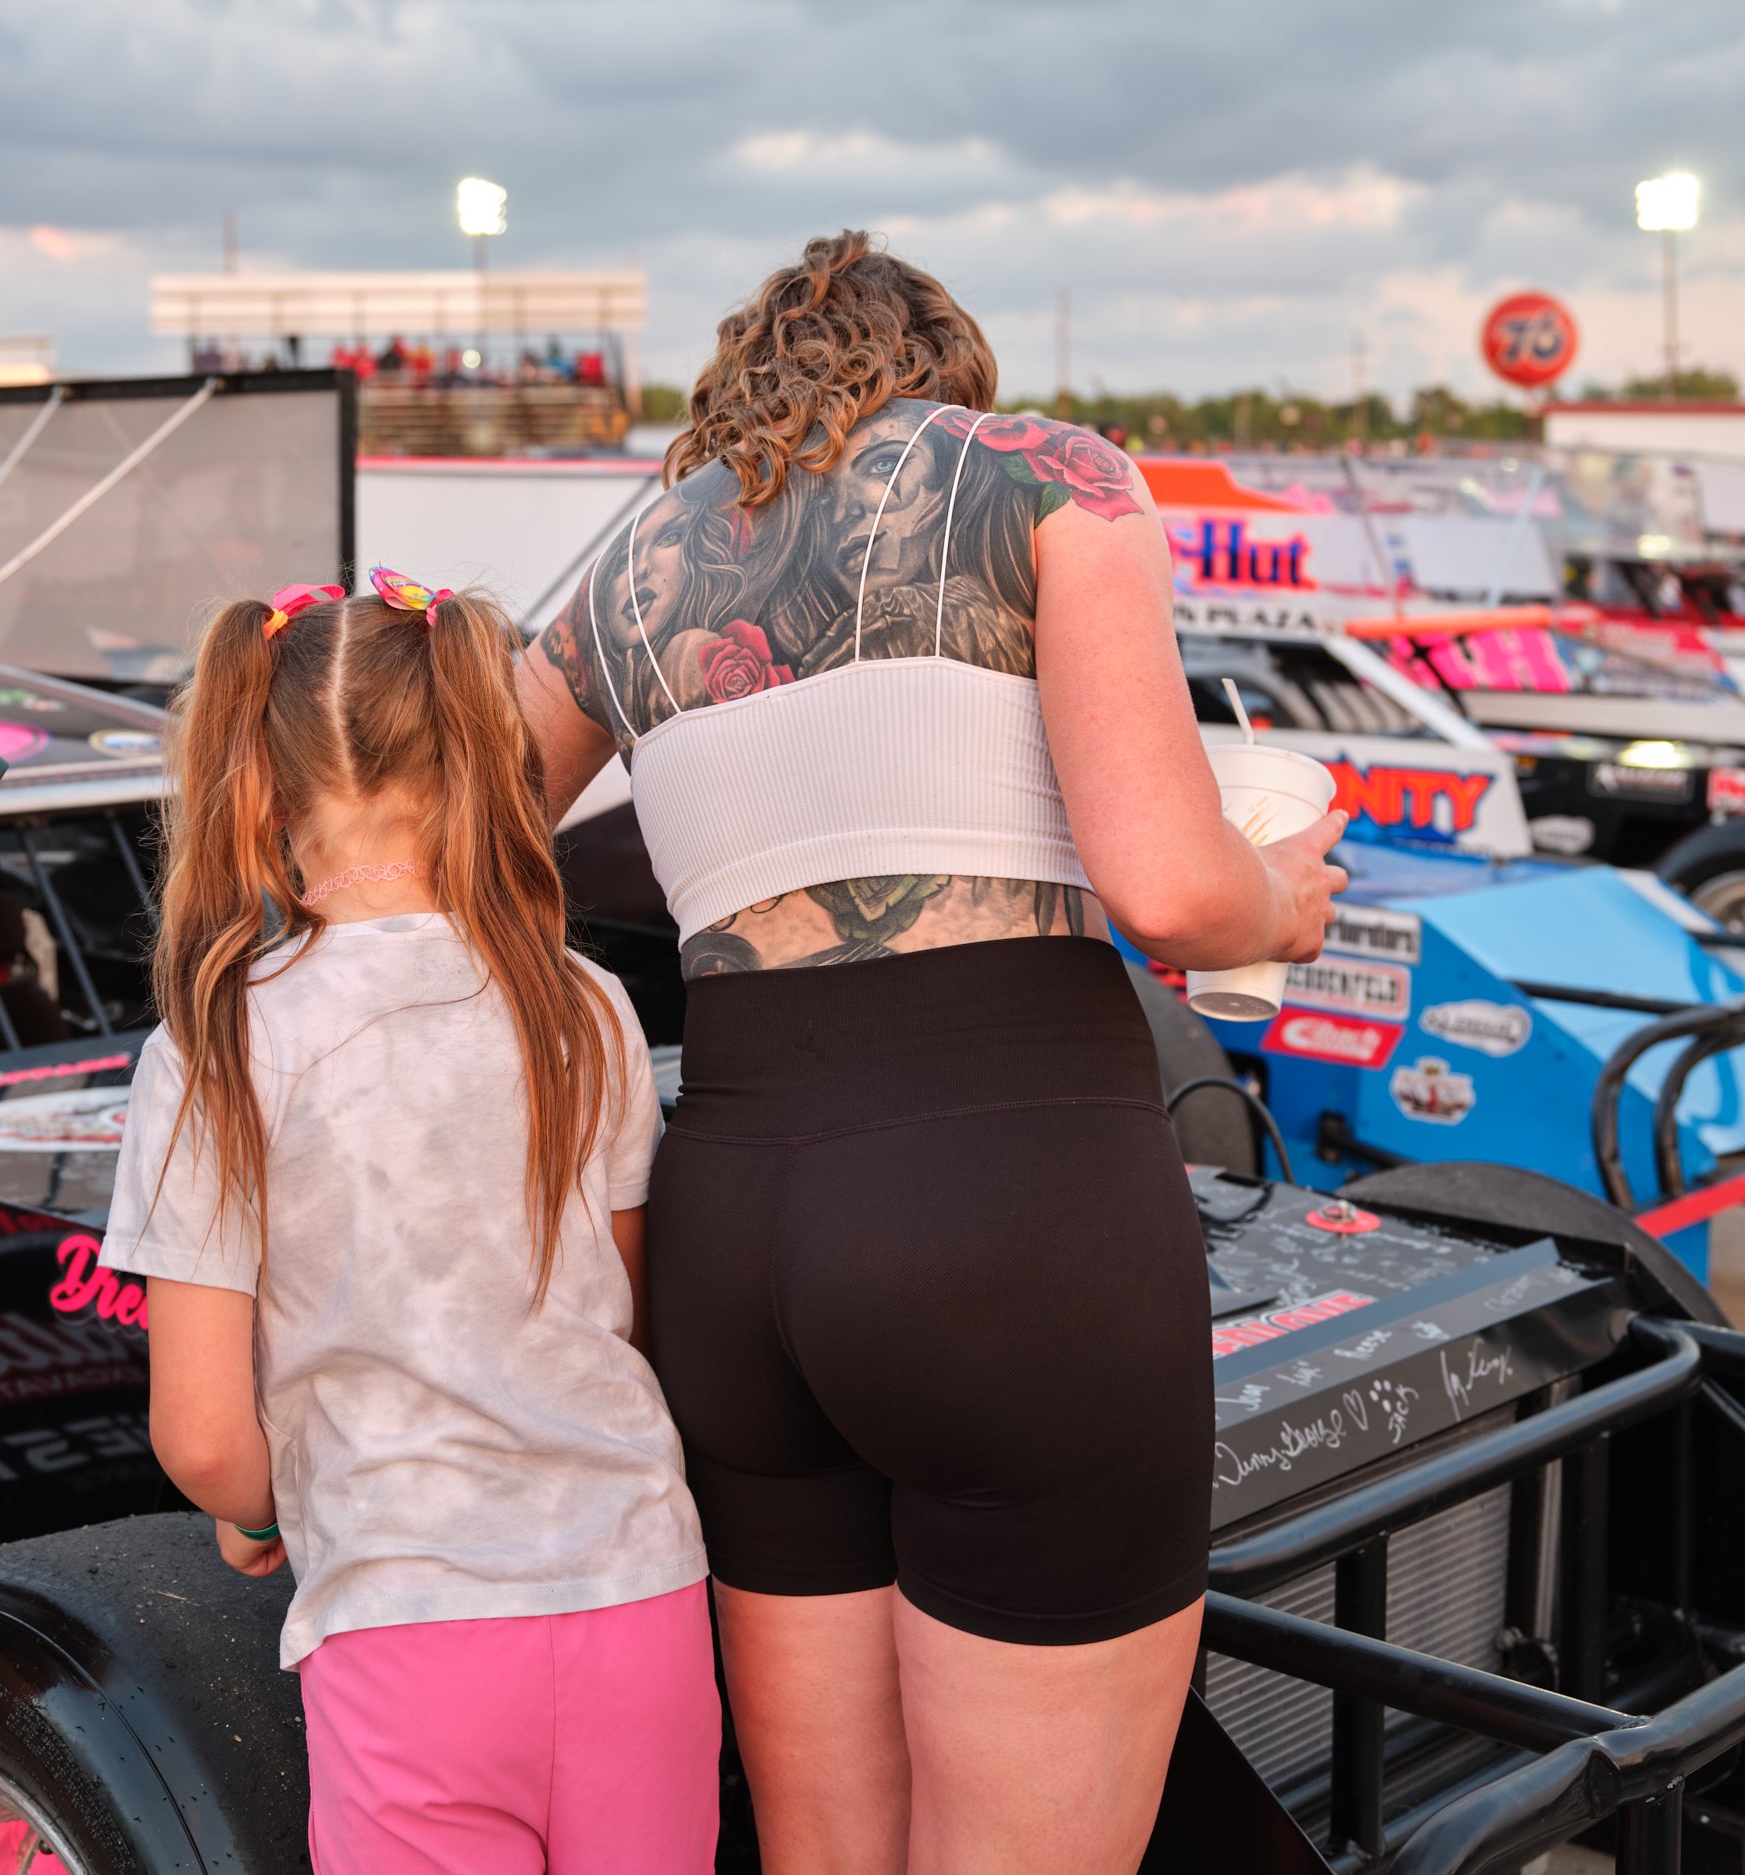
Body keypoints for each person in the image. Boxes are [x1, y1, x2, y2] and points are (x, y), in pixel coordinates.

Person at [517, 231, 1347, 1875]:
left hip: (736, 1228)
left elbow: (452, 855)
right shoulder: (1050, 479)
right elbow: (1174, 892)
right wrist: (1283, 898)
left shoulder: (634, 563)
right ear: (947, 368)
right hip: (1007, 1209)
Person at [99, 572, 719, 1873]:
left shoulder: (217, 1041)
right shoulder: (585, 1006)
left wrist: (263, 1512)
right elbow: (627, 1312)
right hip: (638, 1594)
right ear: (482, 760)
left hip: (405, 1617)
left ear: (254, 790)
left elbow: (205, 1436)